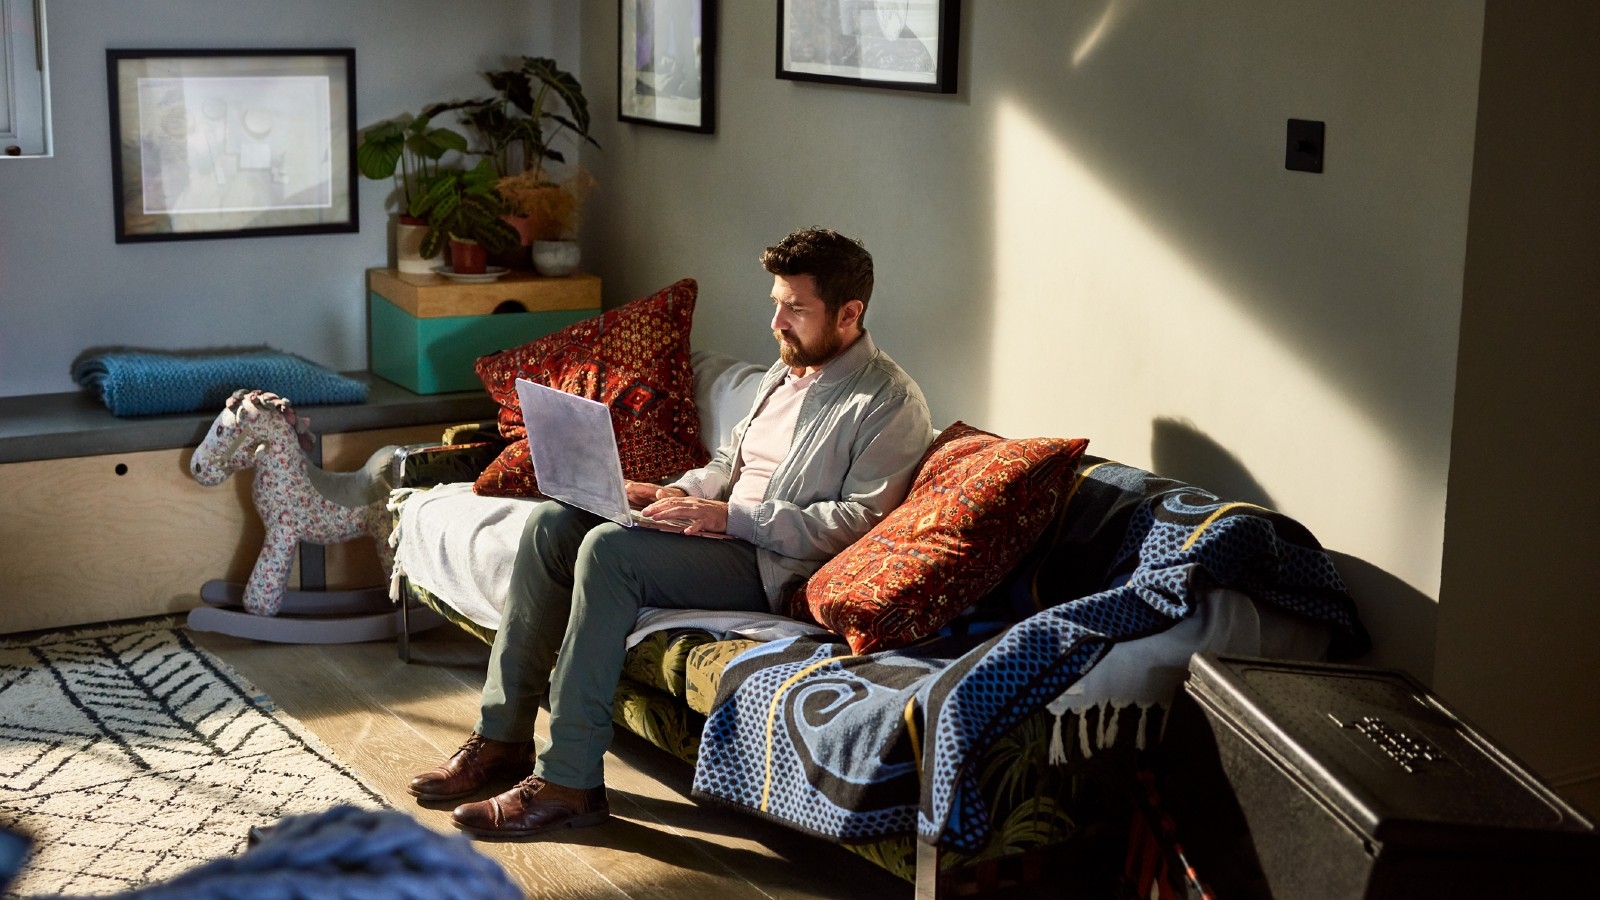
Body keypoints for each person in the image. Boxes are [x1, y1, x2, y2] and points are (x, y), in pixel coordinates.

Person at [408, 227, 934, 838]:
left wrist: (729, 518)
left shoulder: (889, 403)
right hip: (722, 533)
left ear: (850, 313)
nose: (777, 323)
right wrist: (678, 493)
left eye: (796, 308)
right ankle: (501, 739)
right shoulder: (785, 374)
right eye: (776, 303)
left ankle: (569, 781)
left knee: (611, 553)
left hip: (772, 564)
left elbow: (856, 525)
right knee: (556, 523)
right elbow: (728, 464)